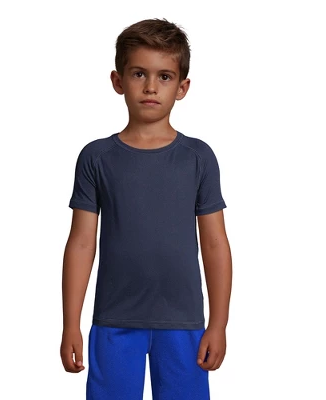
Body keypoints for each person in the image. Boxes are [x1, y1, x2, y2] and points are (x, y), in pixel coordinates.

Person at [60, 18, 232, 400]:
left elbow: (215, 244)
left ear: (182, 87)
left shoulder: (199, 158)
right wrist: (71, 323)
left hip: (184, 324)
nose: (151, 86)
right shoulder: (96, 158)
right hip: (114, 321)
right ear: (118, 80)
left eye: (164, 76)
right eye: (139, 73)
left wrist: (218, 324)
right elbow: (82, 243)